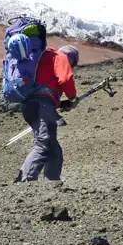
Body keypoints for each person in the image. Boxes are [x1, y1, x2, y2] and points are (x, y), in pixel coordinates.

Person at [16, 45, 79, 182]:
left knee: (54, 150)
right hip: (42, 105)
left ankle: (52, 183)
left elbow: (46, 87)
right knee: (44, 144)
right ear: (71, 58)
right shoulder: (60, 57)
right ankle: (23, 182)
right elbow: (65, 80)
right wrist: (72, 99)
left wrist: (59, 103)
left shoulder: (42, 57)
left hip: (29, 105)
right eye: (72, 64)